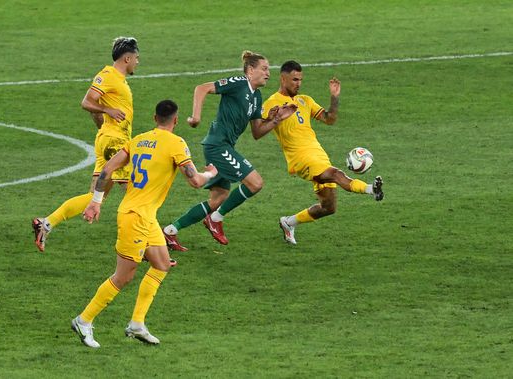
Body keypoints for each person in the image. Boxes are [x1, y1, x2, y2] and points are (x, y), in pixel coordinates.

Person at [71, 100, 217, 348]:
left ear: (154, 117)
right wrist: (211, 174)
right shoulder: (176, 143)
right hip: (135, 218)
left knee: (161, 264)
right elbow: (195, 181)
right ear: (176, 120)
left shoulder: (138, 140)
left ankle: (137, 323)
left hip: (146, 217)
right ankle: (83, 320)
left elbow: (107, 169)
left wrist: (96, 201)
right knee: (123, 277)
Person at [162, 50, 297, 251]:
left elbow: (257, 132)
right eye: (264, 68)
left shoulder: (257, 97)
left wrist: (276, 120)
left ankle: (170, 231)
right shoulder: (239, 82)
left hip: (224, 147)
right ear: (250, 70)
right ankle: (215, 220)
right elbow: (202, 88)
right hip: (218, 145)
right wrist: (196, 116)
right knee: (255, 183)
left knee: (218, 199)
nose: (268, 73)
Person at [32, 36, 139, 252]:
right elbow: (87, 102)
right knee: (137, 191)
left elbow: (95, 106)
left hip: (108, 139)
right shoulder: (108, 75)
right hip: (115, 142)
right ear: (127, 58)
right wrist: (107, 113)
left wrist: (101, 123)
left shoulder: (117, 79)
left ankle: (47, 223)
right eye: (136, 58)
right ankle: (146, 242)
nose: (138, 62)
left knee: (95, 197)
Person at [259, 60, 384, 245]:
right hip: (299, 159)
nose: (298, 83)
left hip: (318, 154)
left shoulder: (305, 100)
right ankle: (370, 189)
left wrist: (334, 97)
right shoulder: (271, 103)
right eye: (294, 79)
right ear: (283, 78)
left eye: (300, 79)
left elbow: (329, 119)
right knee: (335, 174)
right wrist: (273, 118)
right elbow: (258, 129)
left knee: (329, 207)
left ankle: (288, 222)